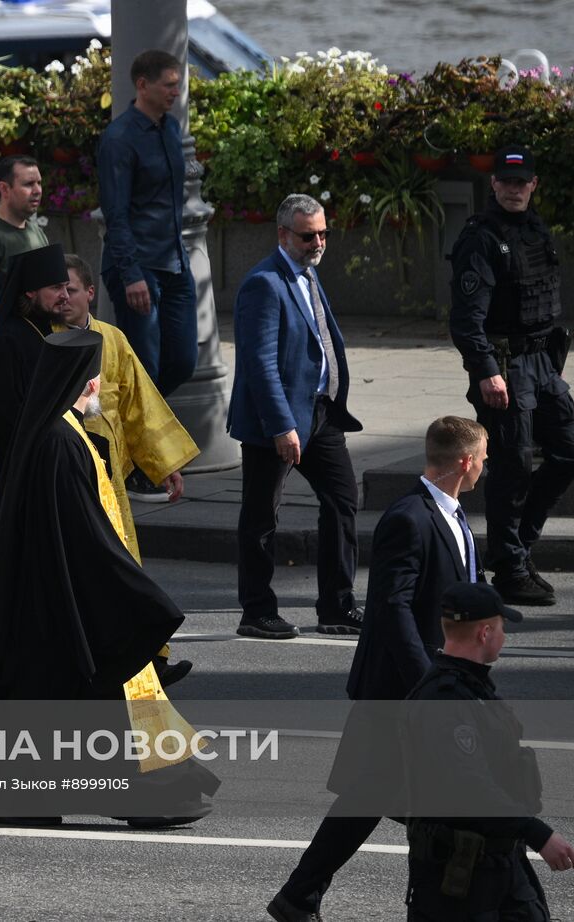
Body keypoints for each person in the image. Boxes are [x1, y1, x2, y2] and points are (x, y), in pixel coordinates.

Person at [0, 329, 214, 826]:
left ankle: (29, 800)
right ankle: (138, 798)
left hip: (44, 597)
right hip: (64, 598)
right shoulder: (61, 442)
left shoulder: (52, 431)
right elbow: (86, 535)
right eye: (96, 381)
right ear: (81, 382)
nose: (99, 390)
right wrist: (136, 593)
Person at [269, 416, 489, 922]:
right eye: (484, 457)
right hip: (402, 687)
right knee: (420, 799)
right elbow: (393, 609)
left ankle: (299, 897)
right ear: (465, 461)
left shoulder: (454, 517)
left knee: (375, 796)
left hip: (431, 682)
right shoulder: (409, 518)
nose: (485, 466)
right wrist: (431, 685)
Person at [228, 193, 363, 640]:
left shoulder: (307, 274)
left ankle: (337, 607)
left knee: (342, 500)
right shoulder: (263, 283)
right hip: (278, 420)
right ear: (284, 235)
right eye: (308, 236)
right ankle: (257, 611)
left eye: (324, 233)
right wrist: (283, 425)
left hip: (320, 413)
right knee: (262, 516)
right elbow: (260, 362)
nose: (318, 242)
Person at [400, 582, 574, 921]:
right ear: (485, 633)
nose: (504, 636)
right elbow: (469, 786)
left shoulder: (469, 687)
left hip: (495, 864)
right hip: (460, 880)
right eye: (502, 627)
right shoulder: (446, 699)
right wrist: (539, 834)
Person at [450, 146, 574, 607]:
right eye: (507, 182)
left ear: (533, 185)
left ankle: (516, 549)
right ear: (495, 185)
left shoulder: (535, 230)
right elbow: (465, 320)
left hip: (542, 365)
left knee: (567, 450)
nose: (516, 189)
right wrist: (485, 371)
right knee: (513, 466)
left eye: (523, 182)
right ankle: (509, 567)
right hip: (504, 367)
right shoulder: (480, 239)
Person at [57, 254, 196, 548]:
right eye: (59, 291)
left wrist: (165, 464)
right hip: (67, 462)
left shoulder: (113, 338)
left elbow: (139, 405)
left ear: (90, 293)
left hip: (111, 463)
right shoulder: (46, 341)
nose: (64, 298)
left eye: (72, 290)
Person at [98, 49, 198, 454]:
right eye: (169, 84)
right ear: (143, 85)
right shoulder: (120, 138)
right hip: (138, 267)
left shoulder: (170, 129)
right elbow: (115, 213)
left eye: (178, 83)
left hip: (174, 260)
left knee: (183, 360)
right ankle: (140, 461)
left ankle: (130, 437)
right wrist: (131, 273)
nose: (177, 91)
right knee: (145, 367)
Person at [0, 243, 69, 473]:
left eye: (67, 287)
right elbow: (5, 415)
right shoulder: (9, 338)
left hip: (55, 450)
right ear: (31, 290)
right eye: (56, 287)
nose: (65, 296)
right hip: (30, 462)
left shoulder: (45, 327)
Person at [0, 156, 48, 297]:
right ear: (4, 189)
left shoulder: (37, 232)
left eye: (39, 183)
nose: (38, 190)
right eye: (29, 184)